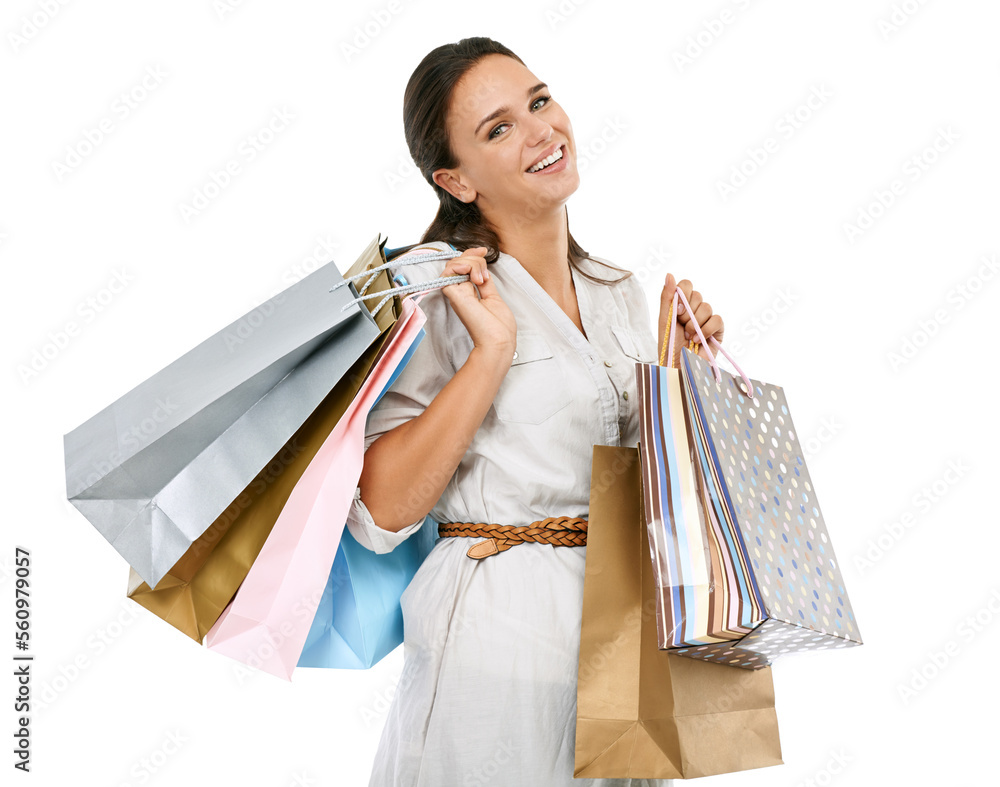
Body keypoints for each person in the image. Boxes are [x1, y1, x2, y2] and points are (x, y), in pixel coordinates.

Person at [344, 37, 726, 787]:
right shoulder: (434, 293)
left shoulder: (618, 289)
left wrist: (684, 381)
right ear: (453, 180)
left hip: (624, 637)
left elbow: (650, 499)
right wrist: (490, 354)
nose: (541, 131)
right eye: (499, 128)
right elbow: (381, 511)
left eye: (540, 101)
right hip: (499, 644)